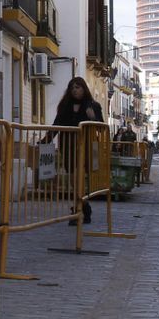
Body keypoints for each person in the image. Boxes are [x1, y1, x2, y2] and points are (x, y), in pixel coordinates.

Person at [51, 77, 104, 223]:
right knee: (74, 180)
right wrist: (44, 140)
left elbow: (101, 128)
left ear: (84, 88)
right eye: (72, 87)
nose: (75, 90)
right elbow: (56, 125)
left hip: (85, 147)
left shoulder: (93, 105)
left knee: (78, 179)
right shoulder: (65, 106)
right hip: (67, 147)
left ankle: (77, 210)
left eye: (78, 87)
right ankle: (84, 207)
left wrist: (93, 118)